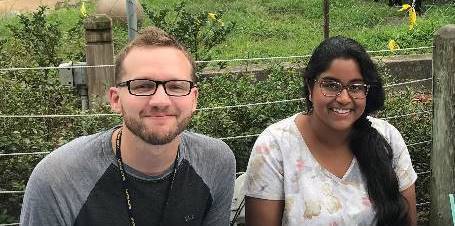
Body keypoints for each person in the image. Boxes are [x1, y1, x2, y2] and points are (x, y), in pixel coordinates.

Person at [20, 27, 236, 226]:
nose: (160, 100)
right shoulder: (57, 181)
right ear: (115, 99)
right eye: (142, 86)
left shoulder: (216, 162)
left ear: (194, 99)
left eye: (176, 86)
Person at [244, 36, 417, 226]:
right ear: (310, 87)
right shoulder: (274, 147)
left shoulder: (388, 138)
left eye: (356, 87)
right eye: (331, 85)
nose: (343, 98)